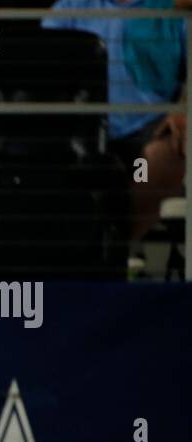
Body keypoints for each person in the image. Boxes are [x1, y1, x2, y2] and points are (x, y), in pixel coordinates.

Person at [42, 0, 188, 277]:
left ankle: (114, 255)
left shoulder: (172, 10)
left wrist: (183, 107)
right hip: (79, 136)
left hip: (147, 134)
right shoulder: (69, 8)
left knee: (162, 159)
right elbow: (41, 68)